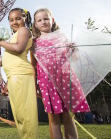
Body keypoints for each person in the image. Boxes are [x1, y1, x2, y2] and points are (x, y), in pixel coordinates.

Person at [32, 8, 90, 139]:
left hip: (65, 79)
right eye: (39, 20)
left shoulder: (62, 38)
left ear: (52, 20)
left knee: (68, 117)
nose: (43, 22)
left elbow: (74, 58)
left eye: (46, 18)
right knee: (54, 119)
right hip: (47, 82)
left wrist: (73, 49)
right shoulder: (34, 43)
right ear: (35, 24)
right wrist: (35, 85)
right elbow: (34, 65)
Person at [0, 8, 38, 139]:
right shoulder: (15, 35)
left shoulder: (24, 31)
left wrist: (1, 43)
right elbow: (14, 59)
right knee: (19, 115)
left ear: (25, 18)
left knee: (25, 115)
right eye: (11, 20)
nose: (14, 22)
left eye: (18, 18)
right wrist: (7, 84)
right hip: (14, 77)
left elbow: (19, 48)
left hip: (21, 76)